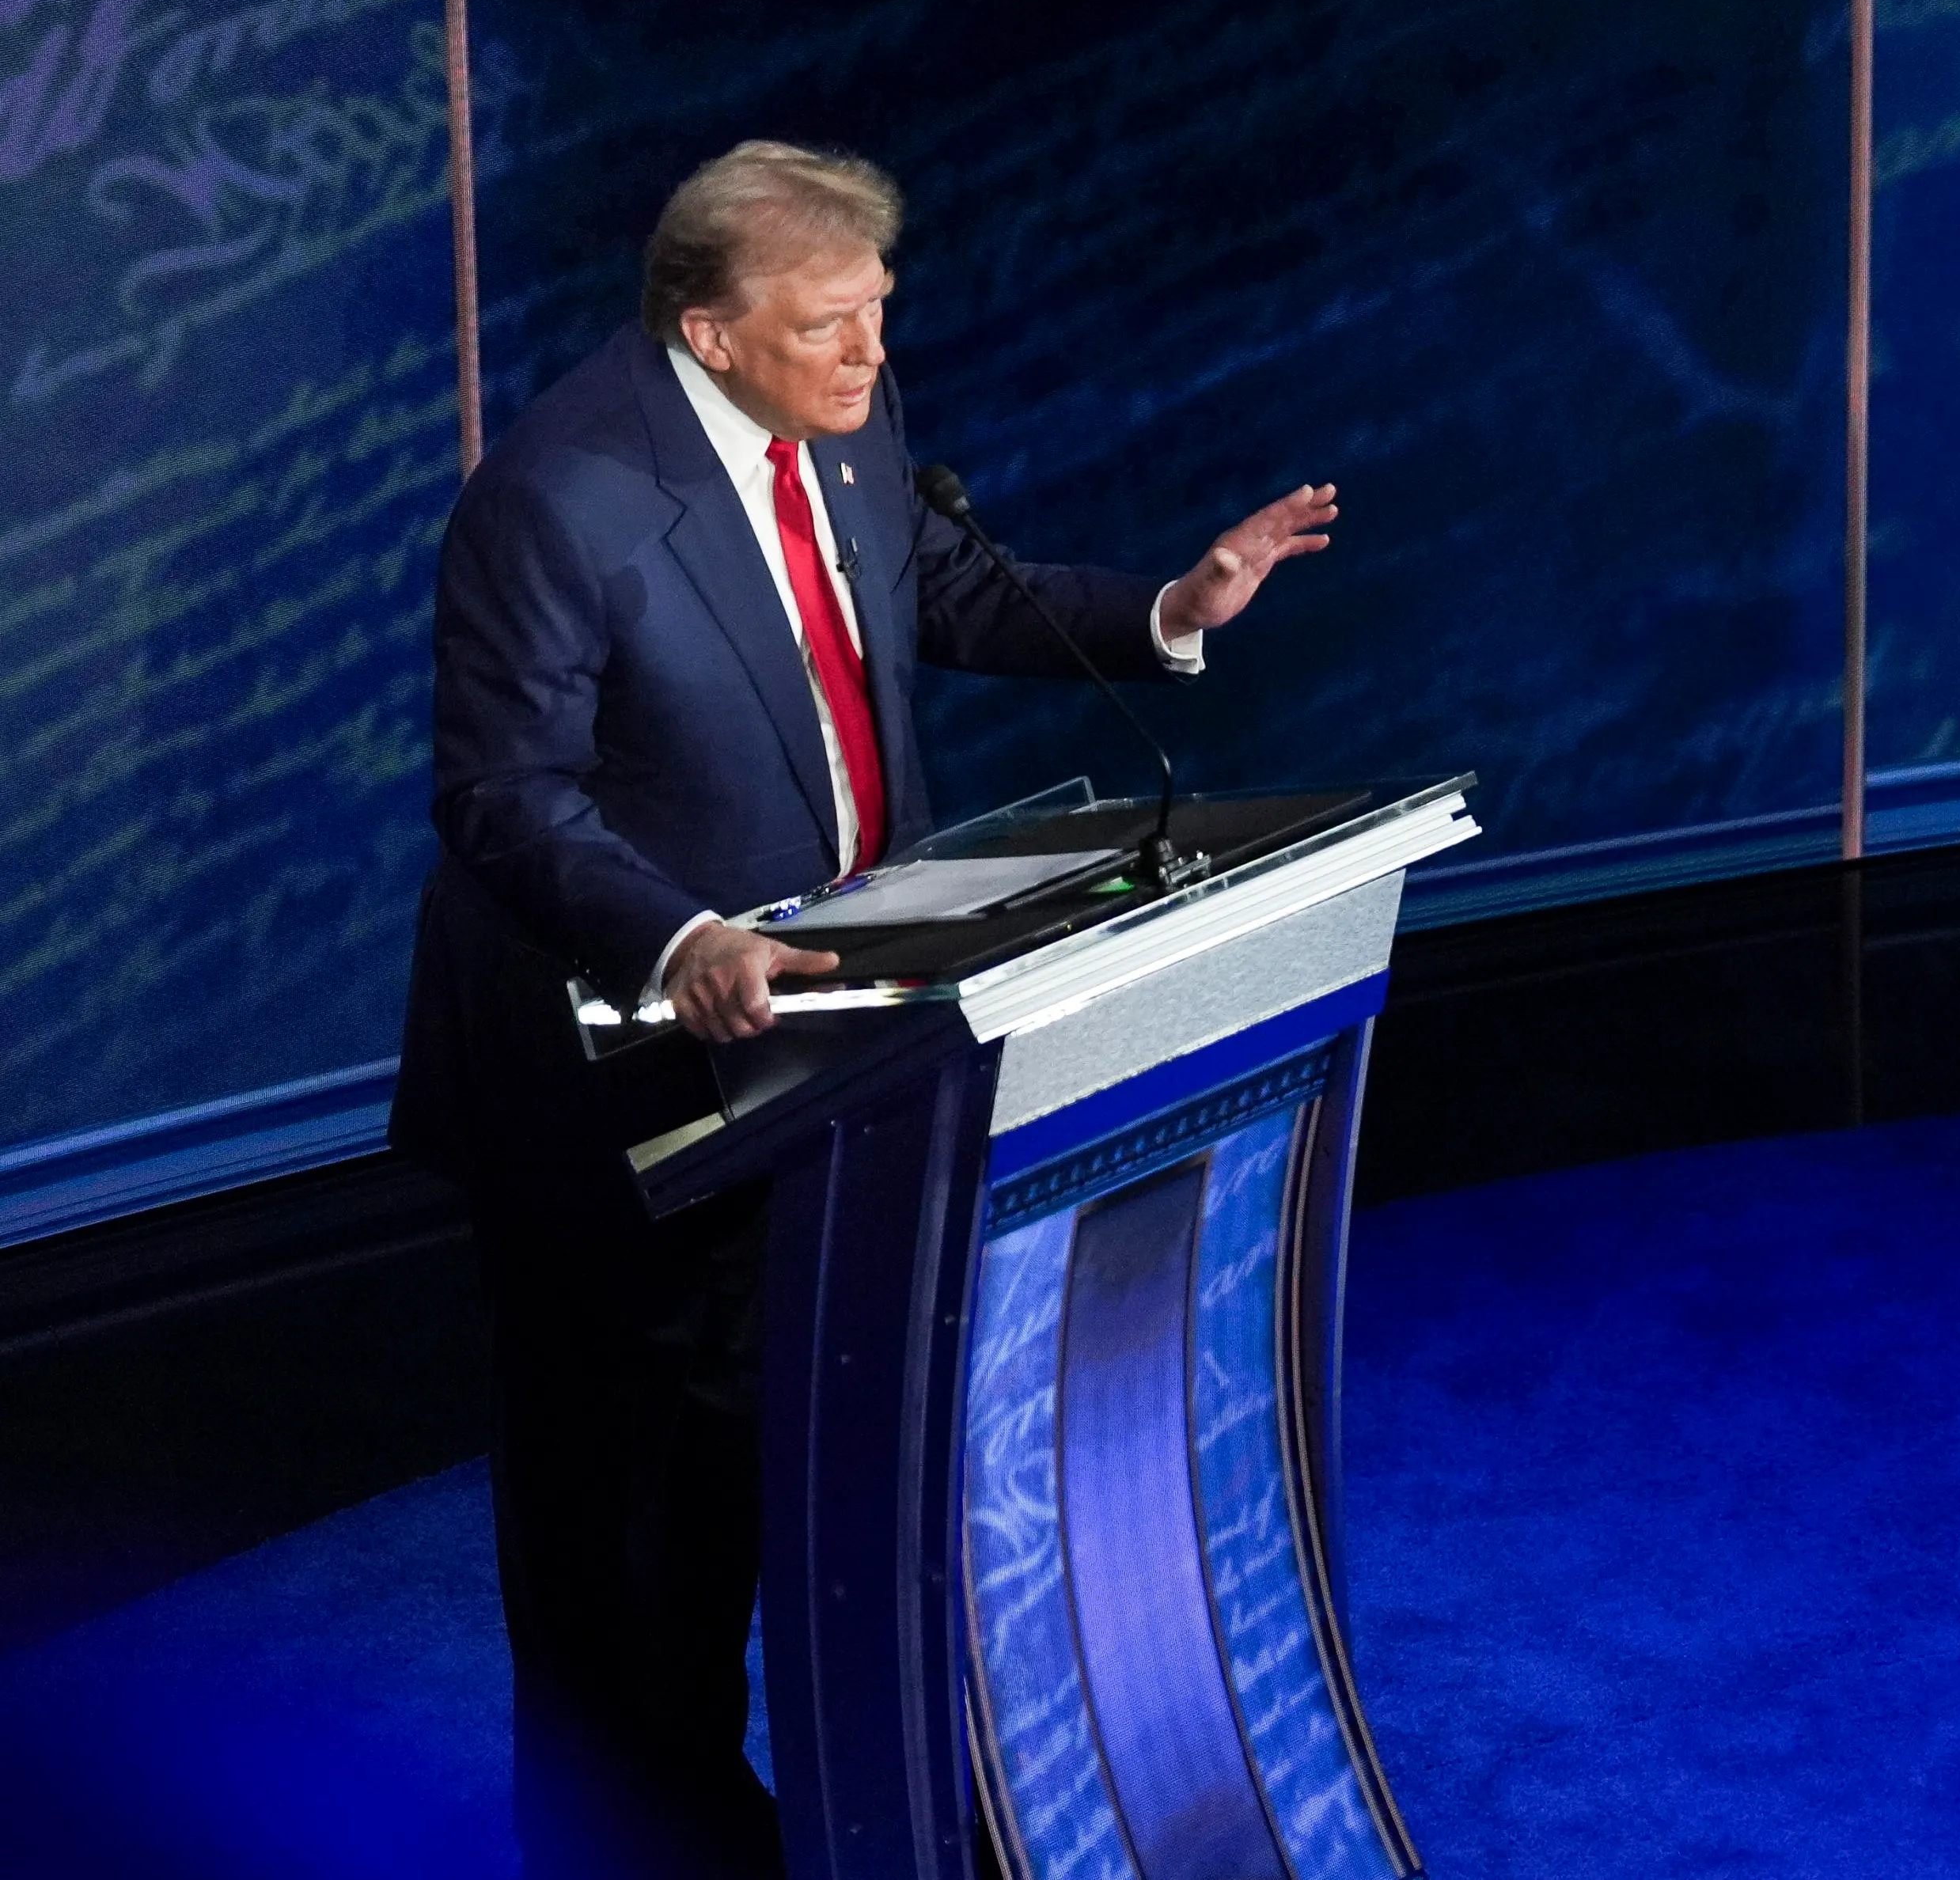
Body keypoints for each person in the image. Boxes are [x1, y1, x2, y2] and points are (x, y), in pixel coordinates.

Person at [385, 141, 1339, 1879]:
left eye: (879, 317)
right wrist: (678, 934)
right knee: (626, 1553)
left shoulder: (844, 418)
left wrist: (1166, 611)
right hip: (619, 1095)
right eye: (830, 326)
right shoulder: (561, 496)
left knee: (781, 1483)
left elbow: (944, 590)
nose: (869, 356)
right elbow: (501, 794)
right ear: (709, 331)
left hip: (839, 1049)